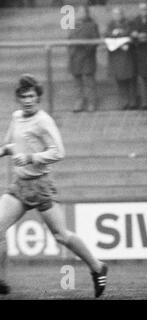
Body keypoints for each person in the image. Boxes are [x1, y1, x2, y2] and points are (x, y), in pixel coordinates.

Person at [0, 74, 108, 296]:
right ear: (18, 98)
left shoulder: (43, 120)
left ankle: (97, 267)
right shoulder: (16, 117)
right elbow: (13, 144)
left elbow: (58, 152)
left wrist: (31, 158)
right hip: (19, 185)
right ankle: (0, 279)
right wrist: (4, 150)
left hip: (40, 185)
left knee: (61, 236)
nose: (28, 100)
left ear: (38, 97)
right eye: (23, 96)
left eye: (31, 96)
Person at [68, 5, 100, 113]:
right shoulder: (73, 25)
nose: (81, 14)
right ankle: (79, 102)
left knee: (89, 82)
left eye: (83, 12)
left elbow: (96, 40)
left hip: (87, 57)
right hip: (75, 57)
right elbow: (69, 39)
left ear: (87, 13)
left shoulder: (92, 25)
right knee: (77, 83)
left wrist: (87, 48)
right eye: (79, 12)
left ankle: (92, 103)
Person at [105, 7, 137, 110]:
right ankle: (124, 103)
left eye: (119, 14)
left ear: (122, 14)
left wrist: (118, 33)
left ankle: (133, 103)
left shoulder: (128, 23)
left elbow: (130, 33)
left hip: (128, 57)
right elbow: (106, 34)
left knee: (131, 80)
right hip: (117, 57)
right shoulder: (110, 24)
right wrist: (116, 33)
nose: (117, 16)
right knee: (120, 81)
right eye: (115, 14)